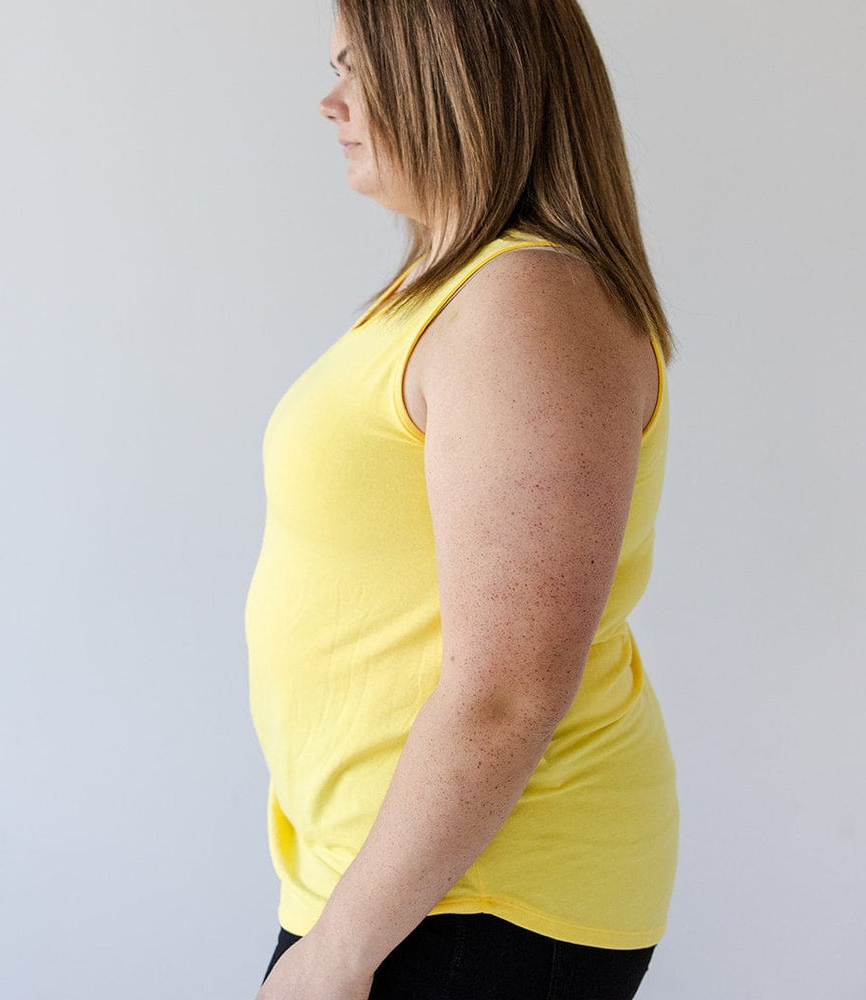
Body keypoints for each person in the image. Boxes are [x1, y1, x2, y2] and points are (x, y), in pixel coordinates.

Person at [248, 1, 679, 997]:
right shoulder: (459, 293)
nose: (329, 102)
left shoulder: (528, 304)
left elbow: (508, 688)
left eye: (358, 70)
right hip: (406, 882)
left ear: (452, 77)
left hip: (476, 895)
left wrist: (340, 954)